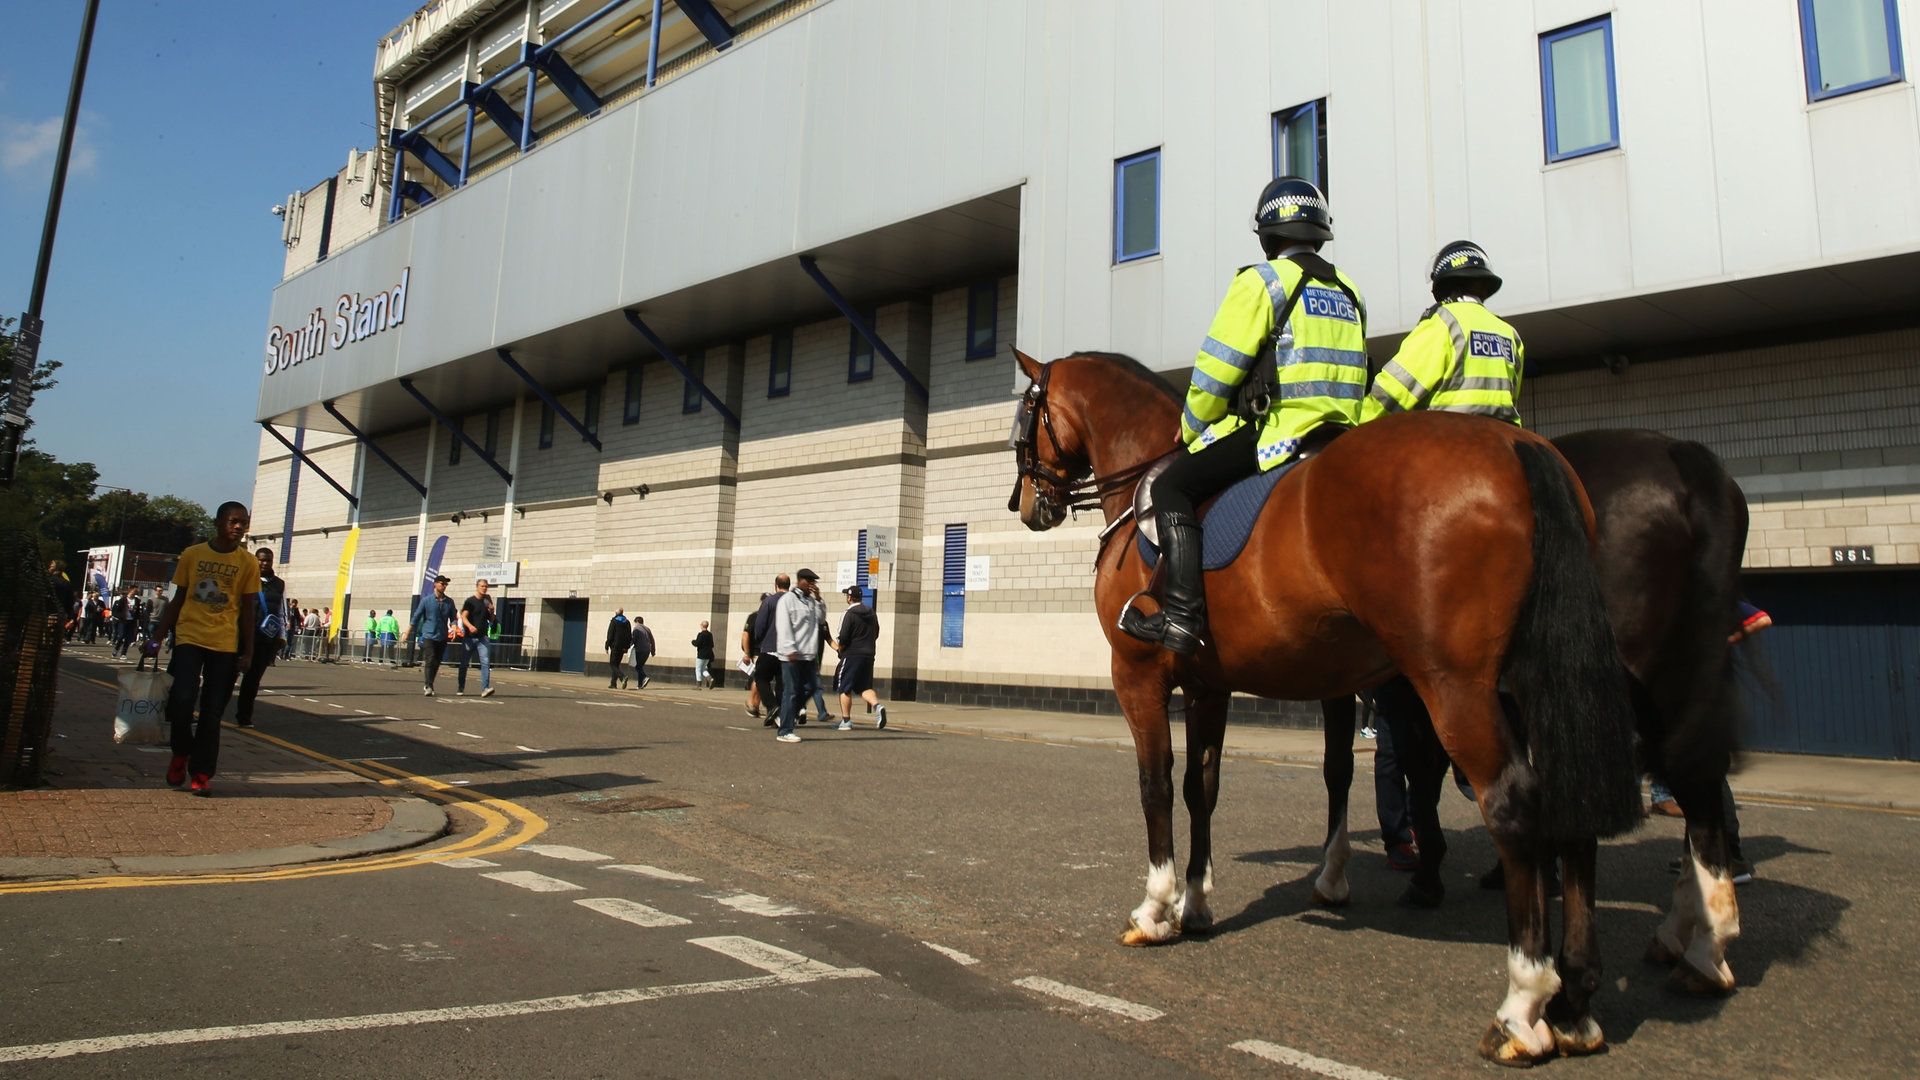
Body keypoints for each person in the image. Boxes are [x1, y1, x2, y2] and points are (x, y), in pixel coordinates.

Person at [1119, 176, 1369, 655]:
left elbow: (1216, 371)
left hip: (1281, 432)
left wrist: (1190, 428)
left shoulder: (1262, 281)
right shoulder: (1350, 292)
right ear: (1319, 232)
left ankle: (1181, 618)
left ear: (1268, 235)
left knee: (1173, 486)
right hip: (1343, 436)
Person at [147, 501, 258, 797]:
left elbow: (248, 610)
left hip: (224, 643)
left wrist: (248, 651)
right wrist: (156, 638)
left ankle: (201, 772)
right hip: (189, 638)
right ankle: (180, 753)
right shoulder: (193, 555)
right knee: (182, 702)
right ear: (218, 522)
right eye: (234, 521)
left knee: (212, 712)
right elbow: (178, 599)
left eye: (243, 522)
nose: (239, 527)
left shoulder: (248, 563)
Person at [1361, 240, 1523, 426]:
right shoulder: (1509, 333)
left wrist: (1359, 420)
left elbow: (1397, 387)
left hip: (1450, 432)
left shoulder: (1443, 322)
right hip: (1504, 433)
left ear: (1445, 285)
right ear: (1485, 286)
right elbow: (1513, 396)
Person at [231, 547, 289, 728]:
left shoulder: (279, 584)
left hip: (264, 640)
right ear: (255, 560)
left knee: (253, 681)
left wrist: (281, 638)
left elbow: (281, 613)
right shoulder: (244, 578)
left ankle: (244, 717)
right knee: (228, 677)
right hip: (240, 636)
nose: (265, 563)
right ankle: (214, 713)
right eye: (261, 560)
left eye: (268, 560)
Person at [772, 568, 827, 743]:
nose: (812, 585)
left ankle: (787, 714)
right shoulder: (788, 600)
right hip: (792, 655)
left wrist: (819, 600)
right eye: (809, 581)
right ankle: (785, 731)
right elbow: (783, 625)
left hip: (808, 655)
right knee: (791, 692)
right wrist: (789, 649)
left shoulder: (811, 602)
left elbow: (820, 619)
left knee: (811, 687)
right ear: (800, 581)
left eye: (814, 582)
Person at [833, 586, 888, 731]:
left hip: (852, 655)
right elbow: (876, 632)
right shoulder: (871, 613)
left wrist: (841, 648)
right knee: (864, 687)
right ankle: (878, 706)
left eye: (847, 596)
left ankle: (846, 721)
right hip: (869, 655)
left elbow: (843, 637)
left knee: (844, 687)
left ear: (850, 598)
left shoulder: (848, 613)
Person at [406, 574, 458, 696]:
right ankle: (429, 685)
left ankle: (430, 682)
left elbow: (453, 618)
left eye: (446, 584)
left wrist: (454, 628)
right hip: (429, 634)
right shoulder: (426, 600)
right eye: (442, 583)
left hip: (442, 635)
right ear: (435, 584)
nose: (444, 586)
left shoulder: (449, 602)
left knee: (436, 661)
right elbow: (416, 617)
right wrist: (407, 632)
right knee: (430, 659)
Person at [751, 578, 790, 727]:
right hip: (787, 651)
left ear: (776, 585)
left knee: (761, 678)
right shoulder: (794, 601)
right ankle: (779, 718)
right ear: (789, 585)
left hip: (770, 648)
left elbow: (760, 626)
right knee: (782, 685)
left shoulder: (769, 601)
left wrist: (759, 641)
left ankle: (772, 706)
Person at [457, 579, 496, 697]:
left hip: (483, 637)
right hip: (470, 637)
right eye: (482, 586)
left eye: (486, 586)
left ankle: (485, 688)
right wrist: (470, 626)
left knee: (485, 662)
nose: (484, 588)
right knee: (464, 663)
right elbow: (463, 617)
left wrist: (492, 611)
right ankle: (461, 687)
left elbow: (491, 619)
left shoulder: (487, 600)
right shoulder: (470, 601)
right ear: (477, 587)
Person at [741, 603, 767, 719]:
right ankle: (754, 705)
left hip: (759, 653)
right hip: (761, 652)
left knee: (759, 679)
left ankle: (754, 705)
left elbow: (745, 636)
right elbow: (746, 636)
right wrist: (747, 653)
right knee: (759, 678)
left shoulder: (754, 616)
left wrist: (747, 653)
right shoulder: (759, 616)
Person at [606, 608, 633, 689]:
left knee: (612, 664)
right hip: (623, 647)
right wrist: (627, 646)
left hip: (615, 646)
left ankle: (623, 677)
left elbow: (610, 634)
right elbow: (629, 636)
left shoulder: (614, 621)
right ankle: (613, 684)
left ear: (616, 613)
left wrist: (607, 645)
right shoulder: (627, 622)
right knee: (616, 665)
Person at [111, 585, 140, 659]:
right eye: (135, 590)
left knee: (128, 638)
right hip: (123, 621)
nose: (136, 591)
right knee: (121, 636)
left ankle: (123, 653)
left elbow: (137, 612)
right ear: (130, 590)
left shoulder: (137, 600)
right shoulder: (123, 599)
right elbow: (116, 611)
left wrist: (137, 620)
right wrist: (119, 617)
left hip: (131, 621)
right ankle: (116, 649)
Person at [629, 615, 656, 689]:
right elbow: (652, 640)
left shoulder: (636, 628)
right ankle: (640, 685)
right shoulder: (647, 629)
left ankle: (645, 677)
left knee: (638, 667)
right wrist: (653, 651)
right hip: (647, 650)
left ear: (637, 621)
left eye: (635, 622)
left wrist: (627, 646)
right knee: (640, 667)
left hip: (640, 650)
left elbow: (634, 639)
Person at [691, 620, 715, 689]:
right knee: (703, 668)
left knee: (698, 669)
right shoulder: (710, 634)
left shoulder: (701, 634)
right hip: (708, 655)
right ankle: (710, 679)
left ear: (701, 625)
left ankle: (698, 685)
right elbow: (712, 645)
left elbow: (697, 643)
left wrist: (693, 641)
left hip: (701, 655)